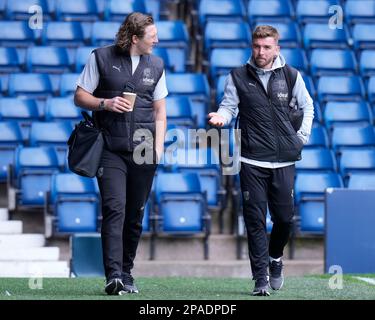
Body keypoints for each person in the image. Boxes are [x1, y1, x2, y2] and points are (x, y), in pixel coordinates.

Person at [208, 25, 314, 296]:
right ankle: (260, 279)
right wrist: (222, 116)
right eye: (257, 46)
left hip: (283, 161)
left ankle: (275, 258)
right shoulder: (238, 76)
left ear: (277, 48)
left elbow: (307, 106)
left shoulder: (291, 76)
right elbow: (229, 105)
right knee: (254, 221)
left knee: (284, 219)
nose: (261, 52)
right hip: (251, 160)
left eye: (267, 47)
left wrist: (301, 137)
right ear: (251, 46)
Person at [74, 12, 167, 295]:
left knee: (135, 215)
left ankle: (127, 272)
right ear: (135, 38)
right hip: (110, 149)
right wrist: (105, 103)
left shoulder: (157, 64)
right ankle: (113, 275)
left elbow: (160, 110)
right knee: (114, 209)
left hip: (143, 150)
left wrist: (159, 148)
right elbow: (80, 96)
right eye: (152, 37)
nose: (157, 41)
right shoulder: (100, 57)